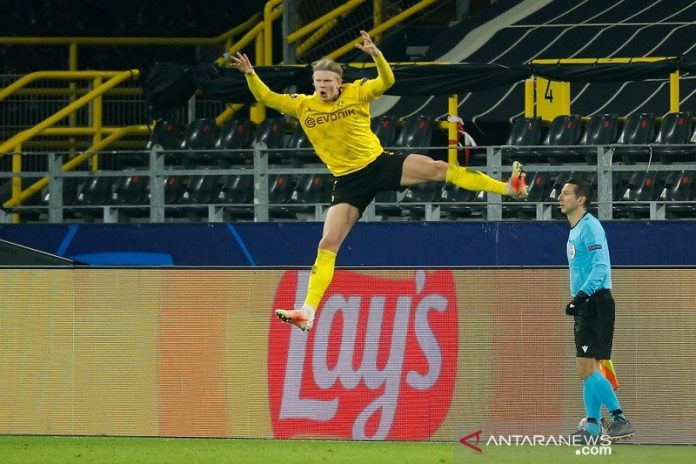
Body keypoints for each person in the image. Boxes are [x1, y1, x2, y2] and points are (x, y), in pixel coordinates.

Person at [230, 30, 528, 332]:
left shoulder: (357, 92)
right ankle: (307, 311)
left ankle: (508, 187)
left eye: (327, 81)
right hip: (348, 181)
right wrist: (251, 74)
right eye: (318, 81)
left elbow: (387, 81)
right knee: (328, 243)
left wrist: (376, 55)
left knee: (438, 167)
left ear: (338, 82)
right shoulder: (303, 105)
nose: (322, 86)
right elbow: (266, 97)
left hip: (379, 163)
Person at [558, 178, 634, 441]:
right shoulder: (575, 230)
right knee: (588, 367)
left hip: (595, 304)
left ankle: (619, 419)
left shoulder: (591, 228)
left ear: (581, 200)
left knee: (586, 369)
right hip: (586, 305)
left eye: (566, 193)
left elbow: (601, 267)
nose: (560, 197)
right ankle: (591, 426)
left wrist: (580, 297)